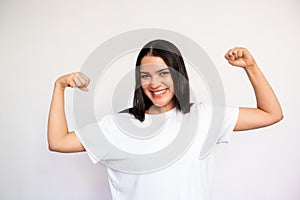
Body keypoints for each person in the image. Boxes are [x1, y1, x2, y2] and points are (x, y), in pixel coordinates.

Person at [47, 39, 283, 200]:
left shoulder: (204, 117)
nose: (154, 83)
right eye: (145, 75)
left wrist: (250, 67)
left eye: (163, 73)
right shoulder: (119, 126)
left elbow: (270, 114)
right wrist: (59, 87)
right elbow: (58, 142)